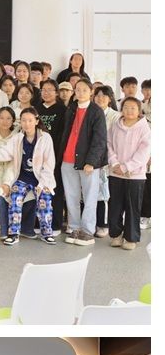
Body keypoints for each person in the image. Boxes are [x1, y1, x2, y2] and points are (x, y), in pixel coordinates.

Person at [0, 107, 58, 245]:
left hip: (41, 178)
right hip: (23, 178)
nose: (27, 124)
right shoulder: (17, 138)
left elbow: (49, 164)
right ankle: (14, 233)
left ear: (36, 121)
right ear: (20, 122)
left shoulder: (45, 138)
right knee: (15, 196)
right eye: (24, 120)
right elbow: (3, 154)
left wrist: (42, 184)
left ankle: (47, 233)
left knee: (45, 197)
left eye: (30, 120)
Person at [59, 77, 109, 244]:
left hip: (87, 162)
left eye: (84, 90)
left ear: (91, 92)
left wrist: (91, 162)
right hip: (67, 159)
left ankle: (87, 231)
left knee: (89, 197)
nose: (80, 93)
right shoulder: (71, 108)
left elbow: (100, 140)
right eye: (78, 90)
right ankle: (74, 228)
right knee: (71, 196)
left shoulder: (96, 111)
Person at [105, 96, 150, 248]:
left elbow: (144, 152)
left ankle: (131, 238)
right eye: (126, 107)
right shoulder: (115, 126)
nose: (129, 110)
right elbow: (108, 145)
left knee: (132, 207)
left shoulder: (144, 128)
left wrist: (126, 167)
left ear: (139, 110)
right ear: (121, 109)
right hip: (115, 173)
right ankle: (116, 235)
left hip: (135, 175)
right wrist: (115, 164)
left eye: (133, 108)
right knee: (115, 205)